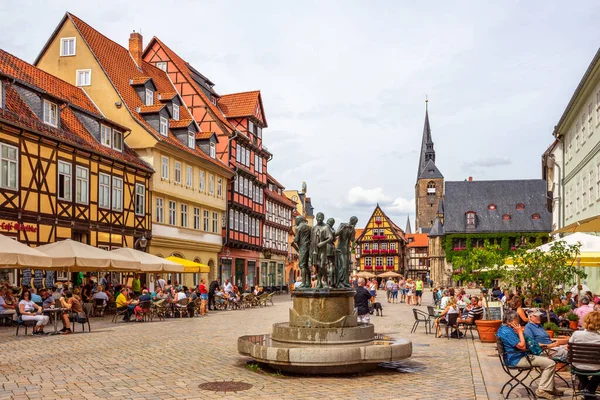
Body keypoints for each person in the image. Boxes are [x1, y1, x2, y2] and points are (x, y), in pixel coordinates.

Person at [497, 310, 562, 399]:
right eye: (516, 319)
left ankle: (550, 388)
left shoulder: (504, 329)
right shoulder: (507, 332)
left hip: (516, 356)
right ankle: (542, 390)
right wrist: (520, 332)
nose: (519, 322)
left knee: (545, 359)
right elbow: (522, 346)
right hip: (516, 359)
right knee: (550, 363)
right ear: (509, 322)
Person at [569, 311, 600, 399]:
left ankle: (587, 391)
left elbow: (569, 347)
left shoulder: (576, 334)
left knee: (580, 364)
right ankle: (589, 389)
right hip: (596, 368)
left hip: (577, 366)